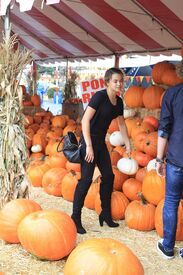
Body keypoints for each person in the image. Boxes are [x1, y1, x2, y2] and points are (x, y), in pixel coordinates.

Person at [71, 67, 131, 234]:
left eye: (121, 81)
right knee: (86, 179)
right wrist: (88, 146)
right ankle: (75, 217)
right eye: (115, 81)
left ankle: (105, 214)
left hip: (100, 142)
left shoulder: (118, 102)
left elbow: (121, 124)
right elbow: (85, 120)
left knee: (109, 176)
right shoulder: (99, 97)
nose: (119, 84)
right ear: (107, 82)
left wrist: (128, 143)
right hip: (88, 140)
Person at [156, 60, 183, 259]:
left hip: (176, 158)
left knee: (172, 202)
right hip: (176, 158)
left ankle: (167, 247)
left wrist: (158, 159)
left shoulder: (172, 94)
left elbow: (164, 130)